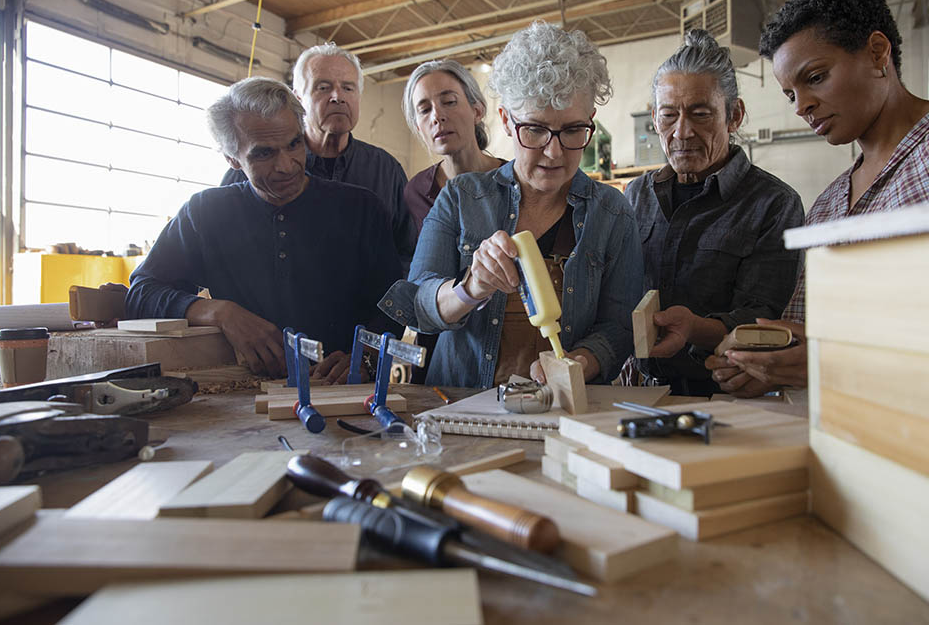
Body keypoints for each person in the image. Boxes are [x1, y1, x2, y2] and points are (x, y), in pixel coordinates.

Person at [706, 0, 929, 397]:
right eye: (790, 95)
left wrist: (833, 361)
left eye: (816, 77)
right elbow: (811, 335)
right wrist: (769, 363)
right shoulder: (828, 207)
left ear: (878, 53)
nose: (802, 106)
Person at [379, 21, 644, 389]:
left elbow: (620, 326)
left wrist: (581, 362)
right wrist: (469, 288)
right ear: (506, 120)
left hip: (564, 413)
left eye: (571, 131)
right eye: (534, 129)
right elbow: (419, 306)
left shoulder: (611, 213)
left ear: (590, 122)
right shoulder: (461, 198)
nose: (553, 153)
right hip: (461, 404)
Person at [127, 77, 402, 379]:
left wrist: (367, 358)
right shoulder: (205, 213)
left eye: (294, 144)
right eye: (264, 153)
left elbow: (393, 307)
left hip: (343, 391)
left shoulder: (362, 209)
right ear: (232, 158)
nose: (286, 165)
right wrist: (220, 313)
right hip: (244, 394)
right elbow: (142, 291)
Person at [625, 29, 803, 396]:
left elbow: (761, 316)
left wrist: (695, 328)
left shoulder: (773, 204)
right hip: (636, 391)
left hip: (727, 394)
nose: (682, 132)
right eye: (668, 115)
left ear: (734, 115)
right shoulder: (636, 195)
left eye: (701, 114)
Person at [221, 43, 417, 274]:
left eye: (348, 88)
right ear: (298, 99)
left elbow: (408, 251)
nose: (338, 97)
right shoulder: (254, 167)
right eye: (323, 87)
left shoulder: (385, 169)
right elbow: (224, 250)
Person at [402, 59, 506, 234]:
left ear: (477, 111)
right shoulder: (416, 192)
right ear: (419, 129)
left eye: (449, 102)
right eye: (425, 110)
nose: (437, 116)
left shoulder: (513, 182)